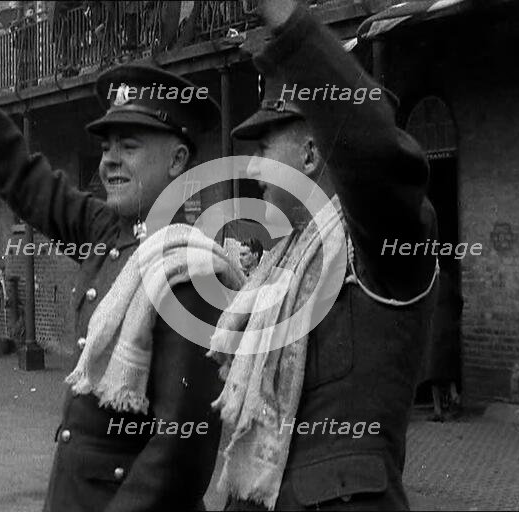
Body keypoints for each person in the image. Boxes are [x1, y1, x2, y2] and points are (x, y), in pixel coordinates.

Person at [0, 14, 244, 511]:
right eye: (106, 146)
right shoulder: (106, 231)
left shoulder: (191, 270)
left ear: (178, 161)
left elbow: (180, 450)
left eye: (129, 145)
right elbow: (23, 178)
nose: (109, 160)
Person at [206, 0, 439, 510]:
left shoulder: (381, 243)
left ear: (312, 154)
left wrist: (290, 22)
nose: (253, 164)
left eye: (265, 148)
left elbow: (377, 155)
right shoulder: (280, 263)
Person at [423, 267, 463, 422]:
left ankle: (438, 410)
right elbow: (459, 301)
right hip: (449, 327)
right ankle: (454, 397)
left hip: (433, 329)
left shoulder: (427, 283)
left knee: (433, 373)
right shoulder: (447, 280)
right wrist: (454, 317)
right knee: (449, 368)